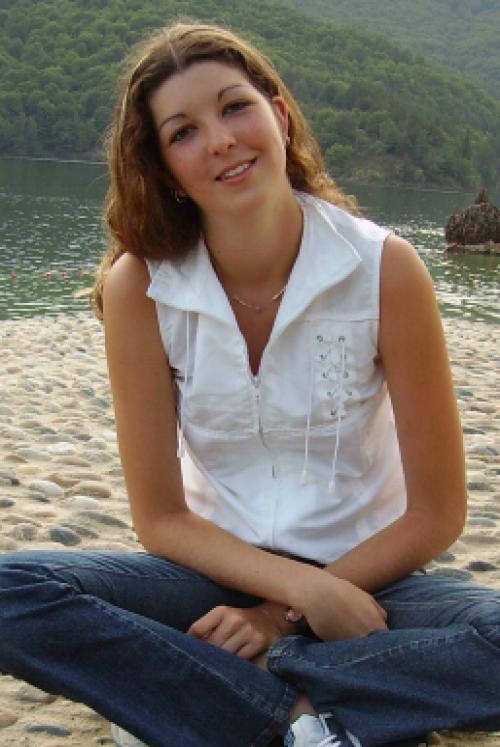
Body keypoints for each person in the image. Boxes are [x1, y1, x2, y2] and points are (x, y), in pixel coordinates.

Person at [0, 21, 499, 747]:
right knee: (9, 593)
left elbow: (437, 511)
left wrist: (280, 621)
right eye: (183, 131)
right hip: (208, 579)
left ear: (280, 117)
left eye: (235, 107)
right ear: (165, 169)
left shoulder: (384, 269)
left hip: (370, 584)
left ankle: (235, 692)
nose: (221, 140)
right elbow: (160, 518)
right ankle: (300, 719)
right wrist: (293, 592)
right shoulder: (141, 287)